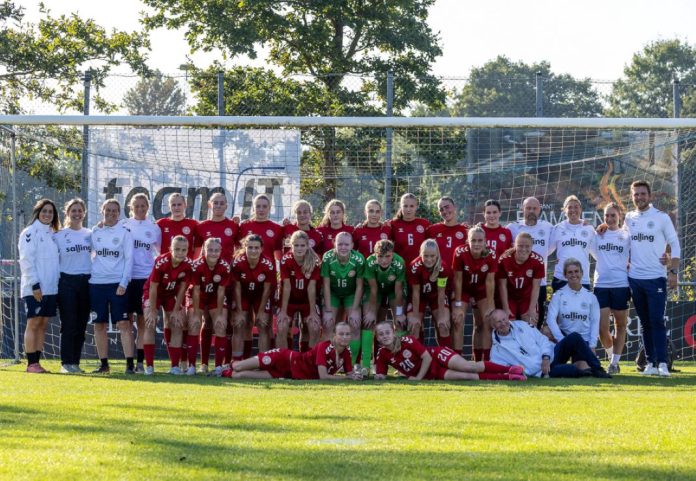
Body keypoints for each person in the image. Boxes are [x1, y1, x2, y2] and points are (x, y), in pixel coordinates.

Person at [624, 180, 680, 377]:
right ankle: (650, 363)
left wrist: (673, 271)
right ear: (632, 197)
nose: (639, 197)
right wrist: (605, 226)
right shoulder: (629, 218)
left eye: (642, 194)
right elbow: (621, 239)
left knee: (656, 320)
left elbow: (675, 244)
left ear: (650, 196)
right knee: (645, 322)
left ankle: (663, 363)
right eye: (636, 194)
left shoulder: (661, 217)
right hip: (635, 279)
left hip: (656, 278)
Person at [373, 321, 525, 381]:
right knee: (466, 377)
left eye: (387, 332)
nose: (385, 336)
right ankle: (508, 377)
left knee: (468, 367)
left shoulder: (407, 340)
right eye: (381, 334)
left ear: (393, 333)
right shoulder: (382, 354)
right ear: (377, 338)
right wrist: (377, 377)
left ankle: (510, 368)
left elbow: (426, 358)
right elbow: (381, 374)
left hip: (436, 356)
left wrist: (418, 378)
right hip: (431, 373)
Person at [489, 309, 611, 378]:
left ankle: (598, 369)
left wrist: (546, 357)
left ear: (508, 318)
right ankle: (583, 371)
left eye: (504, 319)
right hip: (542, 372)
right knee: (572, 370)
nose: (503, 323)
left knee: (574, 337)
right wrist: (526, 372)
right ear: (493, 326)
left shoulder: (522, 325)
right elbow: (501, 370)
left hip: (552, 354)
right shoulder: (497, 351)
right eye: (499, 322)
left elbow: (542, 340)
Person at [194, 192, 238, 372]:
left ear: (226, 206)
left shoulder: (233, 226)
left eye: (222, 203)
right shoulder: (201, 227)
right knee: (207, 322)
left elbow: (241, 249)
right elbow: (197, 253)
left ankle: (224, 363)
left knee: (226, 321)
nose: (219, 206)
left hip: (227, 280)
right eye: (216, 203)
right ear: (210, 205)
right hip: (205, 281)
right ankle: (204, 364)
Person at [229, 322, 362, 380]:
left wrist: (355, 376)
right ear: (334, 336)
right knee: (238, 366)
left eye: (347, 334)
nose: (345, 337)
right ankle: (224, 367)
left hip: (287, 373)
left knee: (238, 376)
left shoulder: (346, 353)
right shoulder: (324, 347)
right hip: (283, 358)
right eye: (341, 334)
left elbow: (350, 374)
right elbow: (323, 376)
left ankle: (225, 372)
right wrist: (346, 378)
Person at [89, 199, 134, 374]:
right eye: (108, 210)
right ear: (102, 211)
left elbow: (129, 259)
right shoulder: (95, 231)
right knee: (99, 324)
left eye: (114, 210)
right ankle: (104, 365)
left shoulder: (125, 232)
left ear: (119, 213)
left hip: (117, 284)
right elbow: (89, 254)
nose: (111, 213)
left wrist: (124, 282)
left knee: (123, 323)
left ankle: (129, 365)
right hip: (96, 284)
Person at [19, 198, 60, 373]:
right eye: (44, 211)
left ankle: (37, 362)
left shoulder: (53, 233)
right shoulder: (29, 232)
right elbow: (26, 260)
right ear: (38, 212)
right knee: (33, 323)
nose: (47, 214)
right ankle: (31, 364)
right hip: (35, 288)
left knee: (43, 324)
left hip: (51, 288)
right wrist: (35, 284)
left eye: (50, 212)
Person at [122, 193, 161, 373]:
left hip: (146, 278)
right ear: (131, 207)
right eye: (136, 206)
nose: (139, 209)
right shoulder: (123, 225)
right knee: (127, 323)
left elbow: (159, 253)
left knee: (143, 321)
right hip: (126, 279)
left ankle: (139, 362)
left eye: (143, 205)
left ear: (147, 207)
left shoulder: (154, 228)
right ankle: (129, 363)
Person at [142, 235, 193, 375]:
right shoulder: (161, 261)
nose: (180, 253)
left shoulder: (188, 264)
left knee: (177, 323)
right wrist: (153, 310)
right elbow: (153, 287)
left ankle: (175, 366)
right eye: (177, 249)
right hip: (153, 293)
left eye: (184, 250)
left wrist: (176, 311)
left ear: (187, 250)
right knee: (150, 323)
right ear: (171, 249)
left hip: (171, 295)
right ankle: (149, 367)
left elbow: (183, 289)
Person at [590, 203, 630, 374]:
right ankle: (610, 355)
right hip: (601, 285)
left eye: (613, 215)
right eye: (607, 215)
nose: (610, 218)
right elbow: (594, 254)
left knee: (620, 325)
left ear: (619, 216)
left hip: (621, 285)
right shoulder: (598, 235)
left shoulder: (627, 236)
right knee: (602, 328)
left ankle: (614, 363)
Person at [54, 198, 92, 373]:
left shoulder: (90, 234)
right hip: (66, 281)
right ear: (67, 213)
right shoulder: (59, 235)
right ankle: (66, 363)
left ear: (84, 213)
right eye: (73, 210)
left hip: (86, 282)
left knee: (81, 324)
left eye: (80, 210)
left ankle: (75, 363)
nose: (77, 214)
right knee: (68, 323)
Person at [506, 196, 554, 328]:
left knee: (535, 322)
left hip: (540, 283)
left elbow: (552, 247)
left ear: (539, 210)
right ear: (523, 209)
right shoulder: (512, 227)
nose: (531, 211)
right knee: (514, 324)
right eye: (528, 208)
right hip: (516, 284)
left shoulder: (548, 227)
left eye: (534, 208)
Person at [452, 226, 497, 360]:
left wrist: (490, 305)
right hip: (464, 290)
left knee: (486, 321)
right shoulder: (460, 252)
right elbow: (458, 279)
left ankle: (484, 361)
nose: (476, 244)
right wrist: (458, 304)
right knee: (458, 320)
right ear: (468, 241)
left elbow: (490, 281)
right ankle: (457, 361)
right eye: (473, 240)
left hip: (481, 290)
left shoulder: (491, 254)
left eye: (480, 240)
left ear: (485, 241)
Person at [186, 237, 230, 375]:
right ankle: (192, 366)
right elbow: (196, 291)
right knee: (194, 323)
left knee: (221, 324)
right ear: (204, 250)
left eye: (216, 250)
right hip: (198, 295)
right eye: (210, 250)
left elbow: (221, 291)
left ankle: (218, 367)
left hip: (215, 297)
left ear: (220, 251)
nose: (213, 253)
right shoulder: (197, 265)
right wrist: (197, 314)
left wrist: (219, 314)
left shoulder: (224, 266)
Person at [362, 239, 407, 372]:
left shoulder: (399, 263)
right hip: (376, 290)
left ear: (392, 254)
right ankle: (366, 366)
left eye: (387, 256)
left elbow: (398, 290)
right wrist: (371, 312)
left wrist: (399, 313)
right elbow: (373, 289)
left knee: (400, 323)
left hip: (393, 290)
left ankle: (401, 364)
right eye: (380, 256)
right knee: (369, 322)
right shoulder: (370, 262)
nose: (384, 260)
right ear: (375, 254)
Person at [321, 231, 365, 362]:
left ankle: (352, 364)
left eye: (346, 244)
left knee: (355, 323)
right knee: (328, 323)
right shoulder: (327, 257)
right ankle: (328, 362)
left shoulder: (359, 259)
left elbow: (360, 286)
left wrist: (355, 309)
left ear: (352, 245)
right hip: (333, 293)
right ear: (334, 244)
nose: (343, 247)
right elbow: (326, 285)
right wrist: (328, 310)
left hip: (351, 294)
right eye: (340, 244)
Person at [231, 234, 275, 365]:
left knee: (263, 324)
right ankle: (237, 362)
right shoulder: (238, 262)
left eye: (256, 248)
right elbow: (237, 287)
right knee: (239, 324)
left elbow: (267, 289)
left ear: (261, 249)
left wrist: (260, 312)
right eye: (250, 247)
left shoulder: (268, 264)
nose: (253, 251)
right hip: (243, 295)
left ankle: (263, 363)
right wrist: (239, 311)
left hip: (260, 296)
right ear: (245, 247)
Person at [277, 230, 322, 351]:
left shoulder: (315, 261)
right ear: (291, 246)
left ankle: (309, 359)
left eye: (302, 245)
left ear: (307, 245)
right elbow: (286, 286)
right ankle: (285, 359)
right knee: (281, 326)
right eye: (296, 245)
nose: (299, 248)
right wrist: (283, 311)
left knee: (314, 326)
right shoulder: (286, 260)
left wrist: (312, 312)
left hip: (307, 301)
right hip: (289, 300)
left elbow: (311, 287)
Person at [546, 259, 600, 350]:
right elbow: (550, 319)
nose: (573, 274)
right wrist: (562, 340)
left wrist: (592, 345)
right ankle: (551, 355)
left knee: (584, 360)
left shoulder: (591, 297)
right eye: (570, 272)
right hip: (564, 338)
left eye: (576, 271)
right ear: (565, 275)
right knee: (545, 331)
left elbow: (595, 322)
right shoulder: (558, 295)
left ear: (582, 273)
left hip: (584, 340)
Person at [407, 239, 451, 347]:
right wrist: (415, 317)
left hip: (436, 296)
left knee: (443, 325)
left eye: (432, 256)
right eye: (425, 256)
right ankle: (419, 355)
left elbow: (441, 293)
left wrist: (442, 316)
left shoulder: (442, 267)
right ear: (420, 254)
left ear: (437, 255)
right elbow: (416, 293)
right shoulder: (415, 267)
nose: (429, 259)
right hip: (419, 297)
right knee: (414, 326)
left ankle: (445, 355)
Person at [496, 233, 545, 324]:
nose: (523, 249)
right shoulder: (504, 259)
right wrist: (506, 308)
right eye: (520, 246)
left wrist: (531, 309)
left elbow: (536, 287)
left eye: (527, 246)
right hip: (510, 297)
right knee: (508, 324)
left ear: (532, 246)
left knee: (530, 323)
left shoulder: (538, 261)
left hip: (527, 297)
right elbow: (502, 286)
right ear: (514, 245)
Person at [549, 195, 594, 292]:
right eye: (569, 207)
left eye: (576, 207)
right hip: (561, 278)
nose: (573, 210)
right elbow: (546, 250)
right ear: (564, 210)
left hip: (582, 278)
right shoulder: (557, 228)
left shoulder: (589, 228)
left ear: (581, 209)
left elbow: (598, 253)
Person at [387, 193, 430, 267]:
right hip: (399, 268)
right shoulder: (393, 224)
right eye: (405, 206)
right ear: (401, 206)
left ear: (416, 207)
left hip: (420, 268)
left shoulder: (424, 224)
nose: (408, 209)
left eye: (412, 206)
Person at [426, 196, 469, 268]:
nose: (445, 211)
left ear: (455, 207)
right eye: (441, 209)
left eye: (447, 207)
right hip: (438, 273)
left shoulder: (465, 231)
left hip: (458, 274)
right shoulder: (432, 230)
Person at [156, 192, 198, 257]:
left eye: (179, 204)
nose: (176, 208)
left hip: (186, 263)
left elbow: (199, 245)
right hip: (166, 263)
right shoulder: (161, 223)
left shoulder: (193, 224)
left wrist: (194, 261)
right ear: (169, 207)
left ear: (185, 205)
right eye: (173, 205)